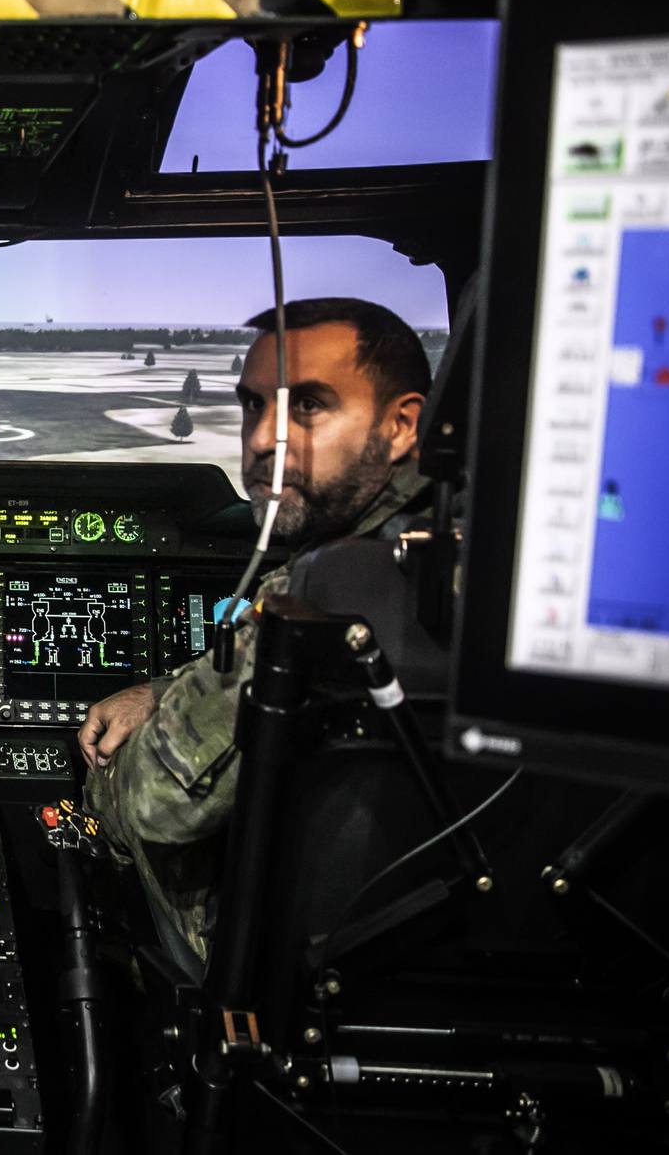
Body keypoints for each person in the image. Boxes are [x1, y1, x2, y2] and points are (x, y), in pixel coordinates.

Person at [79, 298, 433, 973]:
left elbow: (153, 804)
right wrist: (163, 692)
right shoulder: (489, 562)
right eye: (252, 406)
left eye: (308, 407)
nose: (266, 437)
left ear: (401, 425)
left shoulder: (315, 600)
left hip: (274, 987)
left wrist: (100, 780)